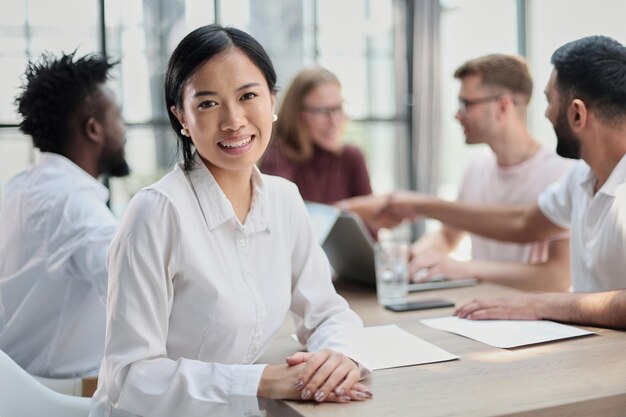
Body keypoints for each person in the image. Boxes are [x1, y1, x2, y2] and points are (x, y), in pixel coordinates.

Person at [90, 25, 372, 417]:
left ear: (272, 100)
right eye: (207, 104)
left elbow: (328, 312)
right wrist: (262, 381)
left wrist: (337, 357)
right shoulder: (155, 212)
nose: (234, 120)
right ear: (181, 117)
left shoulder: (284, 199)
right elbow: (131, 379)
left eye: (248, 96)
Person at [372, 36, 626, 330]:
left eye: (549, 102)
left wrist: (540, 304)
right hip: (589, 352)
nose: (545, 114)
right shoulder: (582, 175)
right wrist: (419, 204)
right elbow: (521, 222)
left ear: (577, 114)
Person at [0, 52, 128, 378]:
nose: (124, 130)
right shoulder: (75, 206)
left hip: (17, 388)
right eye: (119, 117)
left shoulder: (21, 186)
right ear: (94, 129)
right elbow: (135, 288)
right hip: (57, 400)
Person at [410, 54, 572, 291]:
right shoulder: (477, 166)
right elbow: (447, 236)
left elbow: (557, 278)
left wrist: (464, 268)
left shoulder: (560, 171)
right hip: (483, 311)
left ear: (503, 106)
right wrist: (412, 256)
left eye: (466, 104)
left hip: (540, 320)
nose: (457, 115)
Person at [260, 66, 372, 204]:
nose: (334, 121)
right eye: (321, 111)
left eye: (338, 108)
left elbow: (372, 221)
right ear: (296, 114)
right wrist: (348, 209)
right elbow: (284, 217)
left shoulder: (351, 157)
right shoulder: (276, 158)